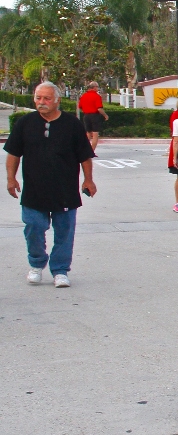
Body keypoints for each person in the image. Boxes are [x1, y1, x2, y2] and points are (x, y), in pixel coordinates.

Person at [5, 82, 96, 288]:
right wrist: (11, 178)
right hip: (34, 190)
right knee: (33, 227)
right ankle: (36, 264)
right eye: (38, 98)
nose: (41, 102)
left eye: (46, 98)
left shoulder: (72, 124)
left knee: (65, 232)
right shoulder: (25, 123)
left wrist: (88, 179)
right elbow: (13, 154)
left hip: (65, 190)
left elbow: (85, 156)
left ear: (57, 100)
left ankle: (60, 270)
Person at [78, 81, 108, 151]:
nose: (98, 88)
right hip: (94, 116)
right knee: (95, 134)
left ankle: (85, 150)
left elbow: (80, 106)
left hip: (86, 116)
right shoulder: (97, 96)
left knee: (88, 133)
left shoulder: (83, 96)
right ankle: (92, 151)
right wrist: (105, 115)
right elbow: (99, 108)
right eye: (97, 87)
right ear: (94, 87)